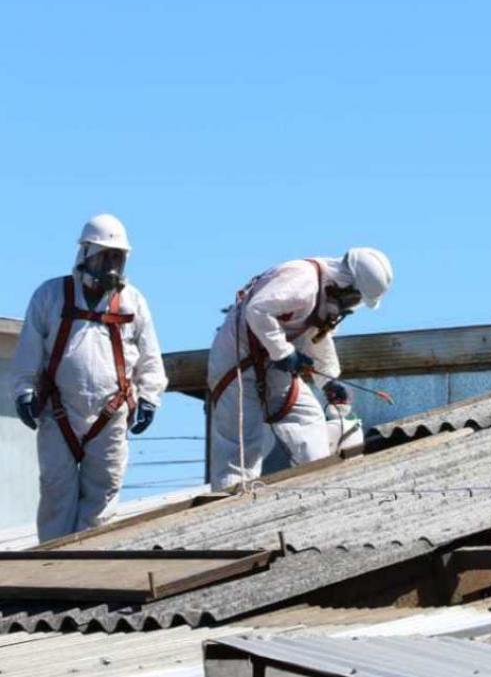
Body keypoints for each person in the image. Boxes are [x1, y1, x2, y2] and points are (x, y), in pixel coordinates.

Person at [12, 214, 167, 541]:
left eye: (117, 257)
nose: (112, 265)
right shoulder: (51, 296)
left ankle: (89, 565)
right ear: (85, 254)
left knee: (103, 496)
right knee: (56, 494)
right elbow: (28, 349)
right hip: (59, 411)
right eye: (105, 255)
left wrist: (151, 396)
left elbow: (150, 357)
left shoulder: (133, 302)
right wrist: (24, 390)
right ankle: (52, 569)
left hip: (111, 415)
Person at [206, 248, 392, 491]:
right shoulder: (302, 281)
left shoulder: (324, 296)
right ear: (346, 283)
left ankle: (319, 489)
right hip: (237, 366)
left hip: (271, 367)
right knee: (241, 449)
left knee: (308, 418)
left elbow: (318, 337)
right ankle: (230, 509)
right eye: (355, 298)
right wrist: (283, 352)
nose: (352, 306)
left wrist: (329, 381)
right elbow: (258, 310)